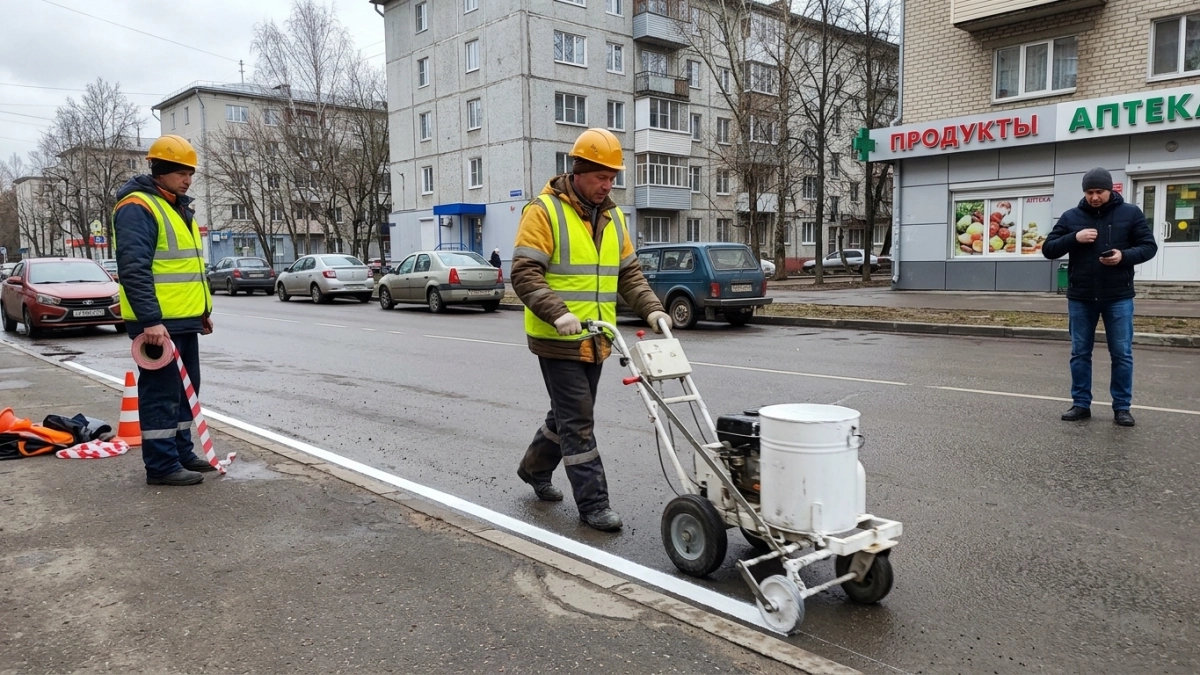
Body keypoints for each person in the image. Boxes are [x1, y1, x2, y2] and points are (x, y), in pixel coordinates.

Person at [511, 128, 669, 532]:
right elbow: (526, 274)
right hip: (558, 337)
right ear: (578, 171)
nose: (608, 184)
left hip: (598, 337)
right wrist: (558, 312)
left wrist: (653, 311)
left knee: (566, 417)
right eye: (601, 176)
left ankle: (533, 468)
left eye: (613, 177)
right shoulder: (543, 211)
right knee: (579, 422)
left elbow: (629, 274)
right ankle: (594, 505)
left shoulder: (613, 217)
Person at [113, 134, 214, 485]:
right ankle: (161, 465)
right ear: (160, 170)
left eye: (190, 173)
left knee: (187, 390)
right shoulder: (138, 207)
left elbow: (184, 271)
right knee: (161, 393)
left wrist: (202, 312)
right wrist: (150, 320)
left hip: (182, 320)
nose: (188, 179)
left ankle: (181, 452)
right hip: (158, 324)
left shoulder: (175, 205)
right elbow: (134, 268)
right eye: (181, 172)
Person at [1042, 167, 1157, 427]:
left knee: (1122, 354)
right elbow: (1048, 249)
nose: (1094, 197)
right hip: (1081, 296)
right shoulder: (1072, 216)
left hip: (1118, 296)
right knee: (1080, 353)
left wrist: (1123, 256)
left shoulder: (1130, 213)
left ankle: (1122, 408)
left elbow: (1149, 246)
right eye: (1090, 192)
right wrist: (1075, 237)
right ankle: (1081, 404)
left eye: (1100, 192)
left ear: (1111, 190)